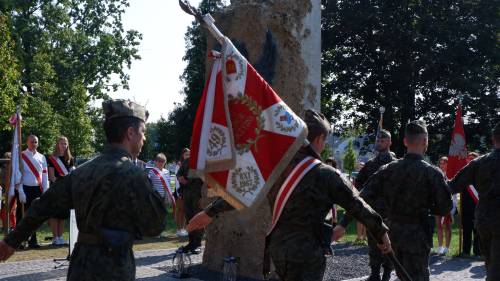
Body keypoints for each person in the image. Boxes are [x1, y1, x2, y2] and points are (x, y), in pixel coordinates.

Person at [187, 109, 392, 281]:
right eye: (324, 140)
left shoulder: (276, 168)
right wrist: (381, 232)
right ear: (319, 139)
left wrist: (210, 212)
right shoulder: (325, 173)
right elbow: (356, 204)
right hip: (308, 251)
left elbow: (244, 190)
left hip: (279, 248)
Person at [0, 99, 168, 281]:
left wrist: (11, 241)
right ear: (130, 133)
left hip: (80, 265)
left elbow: (42, 206)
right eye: (143, 132)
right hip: (114, 267)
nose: (144, 138)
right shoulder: (134, 174)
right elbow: (154, 226)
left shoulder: (82, 171)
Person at [360, 121, 453, 281]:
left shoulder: (388, 169)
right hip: (418, 237)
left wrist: (377, 227)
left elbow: (361, 199)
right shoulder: (432, 173)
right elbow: (445, 208)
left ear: (404, 141)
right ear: (425, 141)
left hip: (393, 234)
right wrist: (431, 207)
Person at [338, 129, 398, 281]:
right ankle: (375, 273)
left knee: (388, 244)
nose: (379, 143)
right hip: (372, 211)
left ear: (390, 142)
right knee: (373, 243)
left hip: (390, 211)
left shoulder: (396, 163)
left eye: (383, 140)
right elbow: (357, 186)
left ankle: (386, 273)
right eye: (378, 140)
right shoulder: (371, 164)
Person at [448, 122, 500, 281]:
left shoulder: (478, 162)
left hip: (484, 219)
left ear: (493, 139)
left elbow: (453, 186)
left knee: (491, 263)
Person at [16, 135, 49, 249]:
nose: (34, 144)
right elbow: (18, 175)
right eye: (32, 142)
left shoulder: (42, 157)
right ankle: (19, 240)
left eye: (36, 142)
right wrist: (20, 191)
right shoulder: (21, 156)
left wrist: (45, 191)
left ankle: (33, 240)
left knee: (35, 216)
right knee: (21, 216)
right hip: (24, 188)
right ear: (27, 142)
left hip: (37, 189)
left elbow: (45, 175)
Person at [47, 136, 75, 246]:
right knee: (55, 214)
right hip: (56, 189)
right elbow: (52, 176)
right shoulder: (52, 158)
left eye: (65, 143)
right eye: (61, 143)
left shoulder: (71, 159)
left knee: (63, 215)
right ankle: (55, 237)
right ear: (57, 144)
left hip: (66, 191)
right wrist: (60, 186)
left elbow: (72, 174)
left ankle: (60, 236)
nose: (63, 145)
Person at [177, 147, 204, 253]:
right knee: (189, 218)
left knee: (199, 218)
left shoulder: (203, 162)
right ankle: (191, 242)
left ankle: (198, 243)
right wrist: (180, 178)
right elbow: (179, 173)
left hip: (199, 195)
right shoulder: (188, 161)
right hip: (187, 195)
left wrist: (204, 197)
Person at [460, 151, 481, 257]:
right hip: (466, 207)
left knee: (477, 231)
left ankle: (478, 252)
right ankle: (466, 251)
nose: (470, 159)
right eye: (468, 158)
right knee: (466, 230)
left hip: (478, 206)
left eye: (472, 158)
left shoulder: (481, 172)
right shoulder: (464, 173)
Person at [434, 156, 456, 255]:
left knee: (447, 225)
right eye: (441, 163)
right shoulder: (435, 174)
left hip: (448, 203)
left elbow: (454, 190)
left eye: (444, 163)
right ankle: (440, 246)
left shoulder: (451, 175)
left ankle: (447, 247)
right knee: (438, 225)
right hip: (437, 202)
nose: (442, 165)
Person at [174, 149, 189, 237]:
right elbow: (177, 180)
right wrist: (178, 191)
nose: (188, 156)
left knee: (185, 210)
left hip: (187, 191)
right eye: (186, 154)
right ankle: (179, 229)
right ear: (183, 155)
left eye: (189, 154)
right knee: (180, 210)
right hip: (180, 190)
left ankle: (183, 229)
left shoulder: (189, 164)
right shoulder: (179, 165)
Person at [0, 152, 16, 231]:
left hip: (12, 191)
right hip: (4, 192)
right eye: (6, 157)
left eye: (9, 157)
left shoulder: (14, 169)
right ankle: (6, 226)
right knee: (3, 210)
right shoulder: (2, 170)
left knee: (11, 210)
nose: (8, 159)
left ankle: (13, 226)